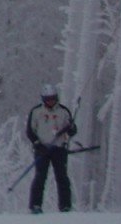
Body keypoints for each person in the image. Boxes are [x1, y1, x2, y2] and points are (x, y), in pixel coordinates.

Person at [26, 84, 78, 214]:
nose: (51, 101)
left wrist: (71, 129)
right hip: (42, 149)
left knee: (62, 177)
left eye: (53, 98)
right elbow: (30, 131)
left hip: (59, 149)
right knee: (40, 177)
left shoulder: (64, 111)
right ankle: (35, 205)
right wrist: (37, 144)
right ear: (43, 99)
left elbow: (72, 130)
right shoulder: (36, 112)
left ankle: (65, 206)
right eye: (48, 98)